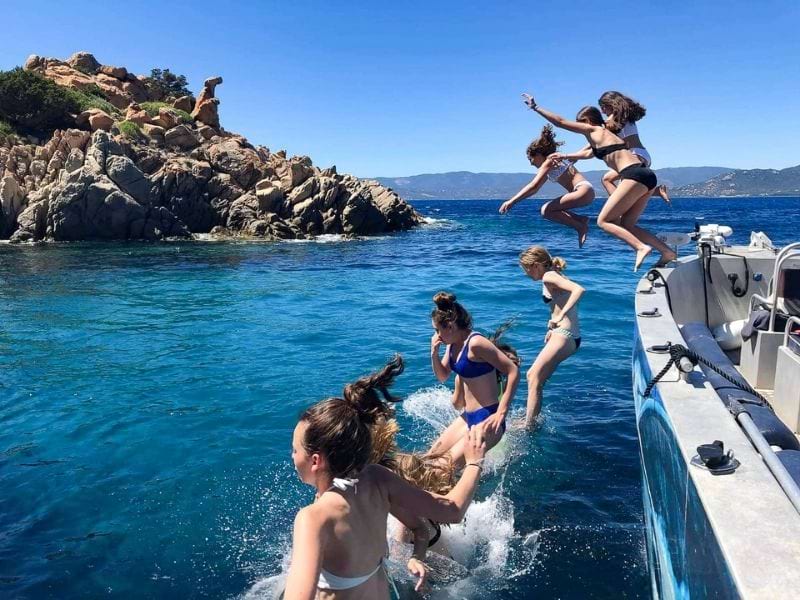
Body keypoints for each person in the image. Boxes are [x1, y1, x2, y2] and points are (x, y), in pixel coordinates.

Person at [284, 355, 488, 600]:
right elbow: (450, 511)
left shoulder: (312, 519)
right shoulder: (377, 480)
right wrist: (474, 462)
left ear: (316, 461)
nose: (292, 456)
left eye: (295, 450)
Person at [523, 92, 676, 271]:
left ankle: (641, 247)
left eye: (580, 122)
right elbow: (588, 153)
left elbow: (560, 122)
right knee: (626, 225)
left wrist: (536, 107)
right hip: (647, 176)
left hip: (633, 174)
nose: (579, 127)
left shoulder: (594, 129)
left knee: (604, 221)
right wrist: (565, 155)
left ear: (587, 121)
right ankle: (667, 252)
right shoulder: (604, 136)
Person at [428, 293, 520, 465]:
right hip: (467, 417)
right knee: (429, 458)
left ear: (451, 326)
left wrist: (502, 411)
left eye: (437, 330)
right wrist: (434, 354)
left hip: (488, 418)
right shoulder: (452, 345)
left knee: (441, 468)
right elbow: (442, 376)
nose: (437, 336)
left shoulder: (476, 343)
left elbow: (513, 371)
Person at [518, 246, 584, 428]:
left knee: (532, 376)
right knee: (537, 380)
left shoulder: (549, 276)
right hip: (566, 335)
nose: (526, 273)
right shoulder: (552, 275)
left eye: (527, 268)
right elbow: (559, 301)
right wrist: (553, 323)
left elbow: (579, 290)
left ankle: (528, 426)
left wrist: (560, 317)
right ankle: (532, 420)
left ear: (537, 265)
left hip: (565, 334)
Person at [499, 125, 595, 248]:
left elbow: (534, 186)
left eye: (530, 158)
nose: (530, 163)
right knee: (550, 210)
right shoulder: (556, 160)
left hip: (582, 190)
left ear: (538, 154)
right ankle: (581, 220)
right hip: (586, 191)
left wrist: (512, 201)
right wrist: (595, 140)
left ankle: (580, 226)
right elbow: (580, 153)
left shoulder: (549, 161)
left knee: (546, 210)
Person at [597, 91, 670, 205]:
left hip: (635, 155)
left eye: (603, 107)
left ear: (610, 105)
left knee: (609, 180)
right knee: (613, 183)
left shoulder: (616, 119)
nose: (602, 111)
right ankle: (655, 191)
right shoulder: (626, 117)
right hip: (641, 155)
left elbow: (598, 137)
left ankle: (619, 206)